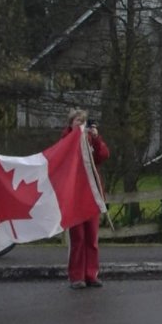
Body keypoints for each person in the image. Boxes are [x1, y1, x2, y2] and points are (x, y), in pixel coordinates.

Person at [63, 110, 110, 289]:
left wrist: (96, 138)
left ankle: (91, 273)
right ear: (71, 123)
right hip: (75, 196)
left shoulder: (90, 139)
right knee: (78, 238)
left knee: (91, 237)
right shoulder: (66, 139)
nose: (81, 124)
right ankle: (76, 275)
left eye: (83, 121)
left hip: (92, 195)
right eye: (77, 121)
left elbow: (103, 155)